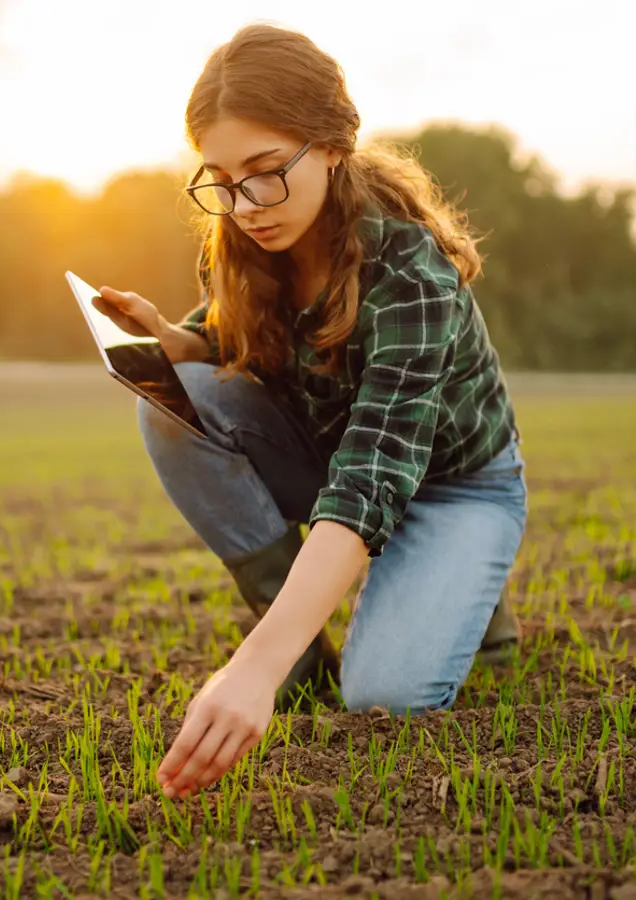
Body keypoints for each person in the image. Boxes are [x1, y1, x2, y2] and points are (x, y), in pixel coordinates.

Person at [92, 23, 528, 800]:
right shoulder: (239, 241)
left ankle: (464, 584)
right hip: (334, 451)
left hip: (449, 483)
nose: (244, 204)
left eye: (265, 172)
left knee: (383, 700)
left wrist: (246, 666)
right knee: (171, 404)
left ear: (332, 144)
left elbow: (370, 478)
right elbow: (233, 343)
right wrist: (167, 337)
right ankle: (293, 644)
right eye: (220, 180)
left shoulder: (410, 271)